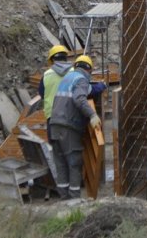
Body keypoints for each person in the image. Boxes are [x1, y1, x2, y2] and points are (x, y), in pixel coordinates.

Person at [49, 55, 103, 200]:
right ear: (89, 69)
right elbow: (79, 98)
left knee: (61, 164)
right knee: (74, 162)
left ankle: (63, 198)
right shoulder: (81, 80)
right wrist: (92, 115)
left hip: (54, 124)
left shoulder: (67, 78)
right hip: (68, 126)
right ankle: (74, 200)